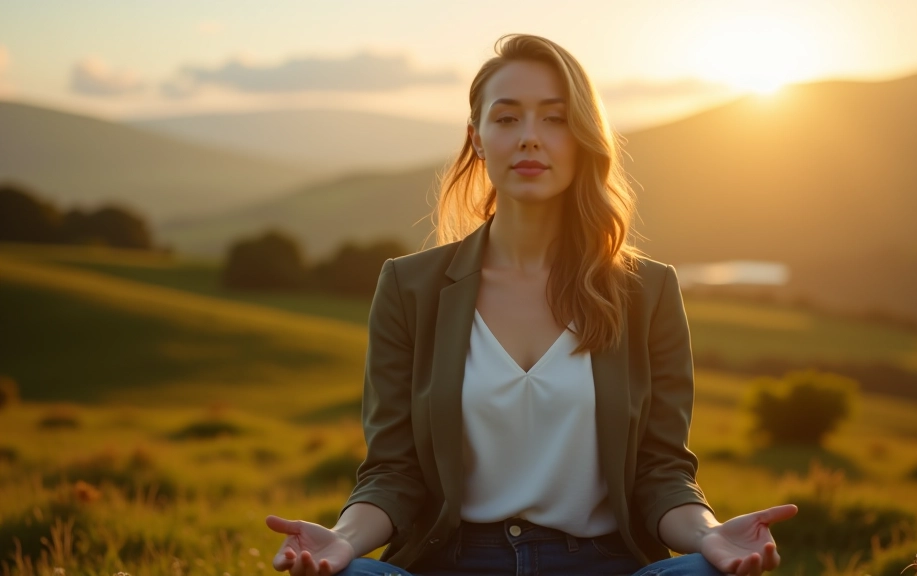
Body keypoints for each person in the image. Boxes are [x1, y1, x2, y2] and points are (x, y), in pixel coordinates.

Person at [266, 34, 797, 576]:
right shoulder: (409, 287)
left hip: (603, 563)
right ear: (476, 138)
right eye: (507, 118)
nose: (529, 139)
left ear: (585, 137)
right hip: (452, 562)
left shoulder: (647, 291)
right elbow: (393, 472)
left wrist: (709, 535)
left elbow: (660, 472)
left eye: (555, 119)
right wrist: (343, 539)